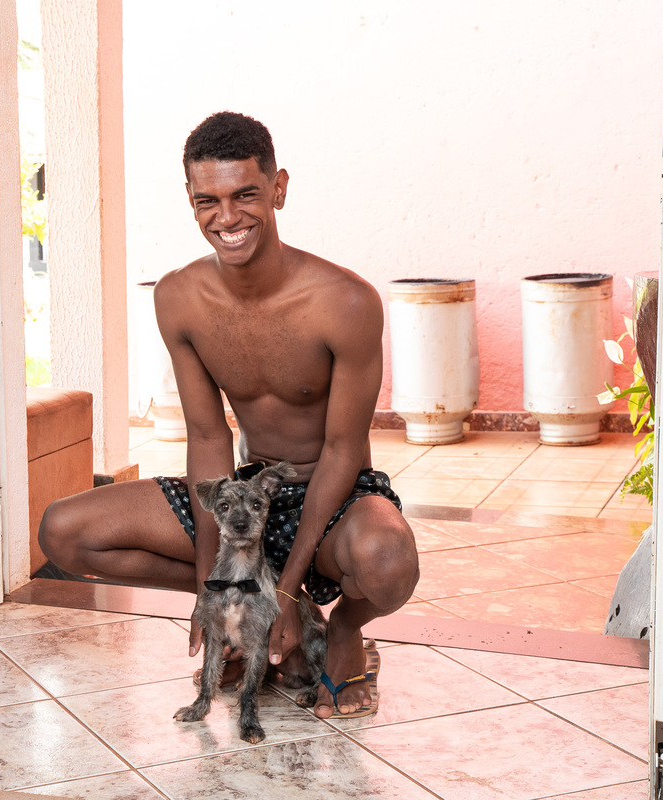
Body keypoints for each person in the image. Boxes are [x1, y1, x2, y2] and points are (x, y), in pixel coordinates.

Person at [39, 111, 419, 719]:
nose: (228, 217)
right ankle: (252, 615)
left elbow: (345, 451)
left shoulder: (345, 302)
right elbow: (207, 435)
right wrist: (216, 590)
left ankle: (341, 633)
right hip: (246, 493)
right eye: (207, 200)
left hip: (334, 492)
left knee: (388, 561)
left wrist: (290, 592)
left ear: (279, 188)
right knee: (65, 531)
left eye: (245, 194)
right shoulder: (178, 298)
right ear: (190, 202)